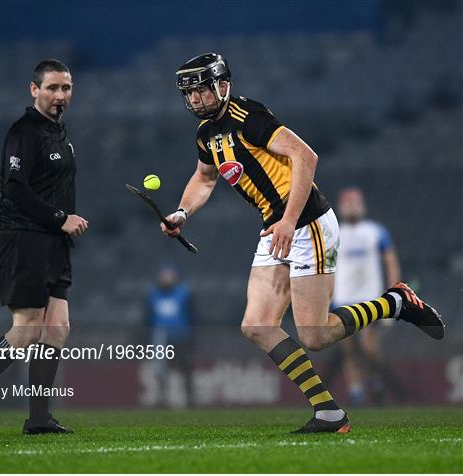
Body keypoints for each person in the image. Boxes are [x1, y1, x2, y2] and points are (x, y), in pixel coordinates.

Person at [161, 53, 445, 433]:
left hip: (306, 220)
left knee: (315, 335)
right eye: (189, 94)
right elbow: (204, 178)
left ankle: (395, 302)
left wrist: (289, 221)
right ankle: (329, 412)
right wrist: (182, 212)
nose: (195, 100)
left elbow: (305, 156)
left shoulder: (251, 116)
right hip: (275, 227)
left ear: (223, 85)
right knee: (257, 325)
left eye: (201, 90)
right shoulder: (206, 135)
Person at [0, 59, 88, 436]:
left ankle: (38, 419)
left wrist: (60, 225)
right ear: (34, 90)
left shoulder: (58, 132)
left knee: (57, 329)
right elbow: (14, 188)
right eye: (53, 88)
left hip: (53, 242)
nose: (60, 95)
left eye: (66, 88)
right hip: (23, 238)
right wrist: (61, 217)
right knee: (25, 329)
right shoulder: (24, 132)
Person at [331, 187, 407, 406]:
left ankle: (374, 380)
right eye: (348, 203)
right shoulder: (335, 233)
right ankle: (356, 391)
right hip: (342, 298)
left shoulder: (376, 231)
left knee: (369, 348)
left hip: (370, 299)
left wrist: (394, 291)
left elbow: (390, 261)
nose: (352, 206)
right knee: (349, 349)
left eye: (355, 202)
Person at [145, 264, 194, 407]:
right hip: (161, 338)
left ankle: (190, 398)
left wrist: (191, 335)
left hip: (181, 337)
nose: (166, 279)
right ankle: (162, 398)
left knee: (185, 367)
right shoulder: (153, 295)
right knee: (161, 370)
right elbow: (147, 317)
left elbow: (192, 315)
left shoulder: (184, 293)